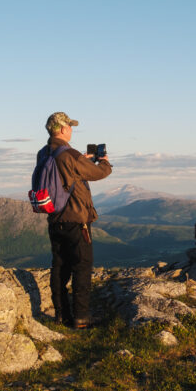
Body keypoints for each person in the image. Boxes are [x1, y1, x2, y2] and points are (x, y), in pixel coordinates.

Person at [41, 111, 112, 328]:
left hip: (55, 218)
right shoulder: (69, 154)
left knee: (60, 266)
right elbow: (99, 173)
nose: (72, 130)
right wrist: (105, 162)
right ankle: (81, 318)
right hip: (76, 220)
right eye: (70, 126)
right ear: (63, 129)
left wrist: (81, 158)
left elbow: (65, 174)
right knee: (82, 266)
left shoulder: (44, 153)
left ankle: (62, 315)